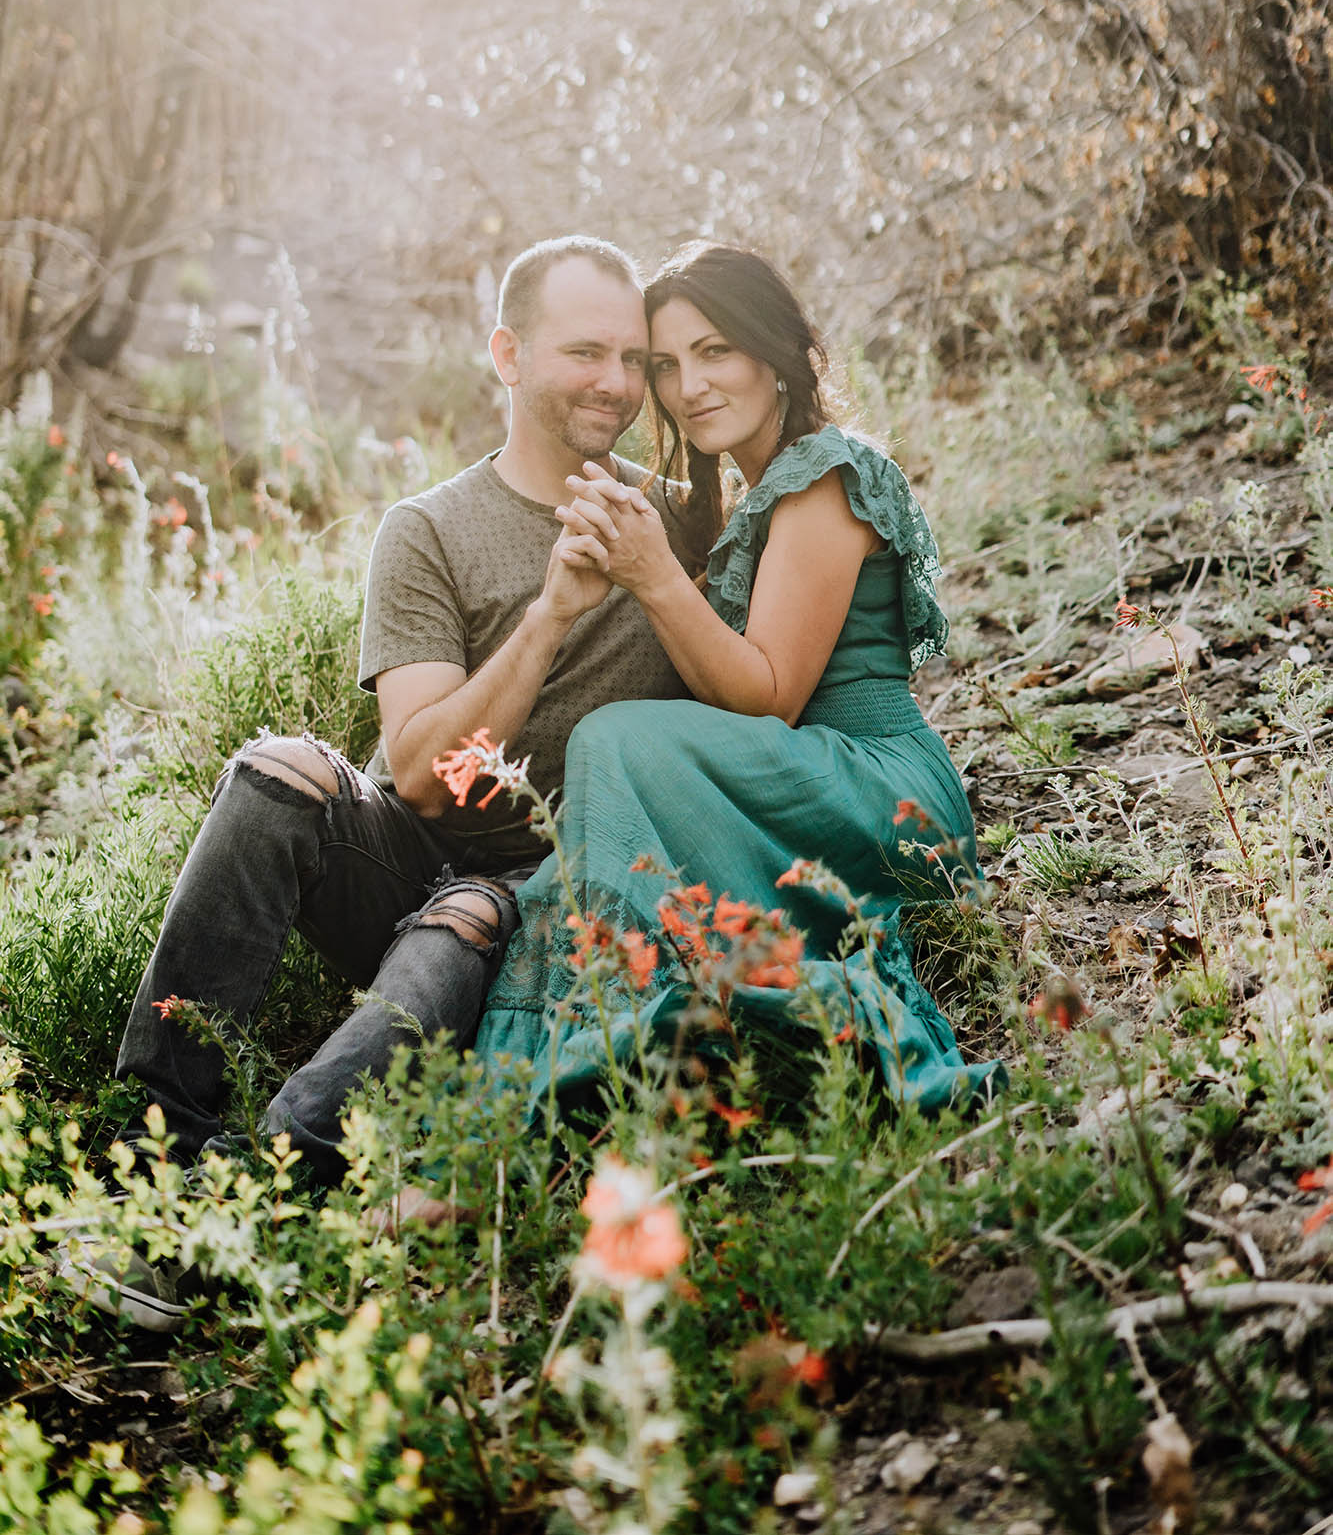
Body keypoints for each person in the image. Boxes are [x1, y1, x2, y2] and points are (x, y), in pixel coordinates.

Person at [69, 235, 688, 1327]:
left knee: (461, 916)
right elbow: (421, 775)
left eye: (633, 358)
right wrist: (551, 614)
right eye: (584, 350)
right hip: (412, 843)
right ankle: (145, 1157)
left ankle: (232, 1209)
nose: (616, 383)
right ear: (506, 353)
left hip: (540, 893)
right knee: (275, 771)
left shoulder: (679, 516)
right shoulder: (430, 530)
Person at [468, 241, 1000, 1121]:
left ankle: (578, 1055)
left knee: (613, 740)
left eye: (715, 351)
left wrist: (653, 575)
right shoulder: (742, 494)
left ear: (776, 353)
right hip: (803, 773)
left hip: (881, 786)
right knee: (584, 830)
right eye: (665, 364)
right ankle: (623, 1039)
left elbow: (768, 695)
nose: (688, 387)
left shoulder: (824, 476)